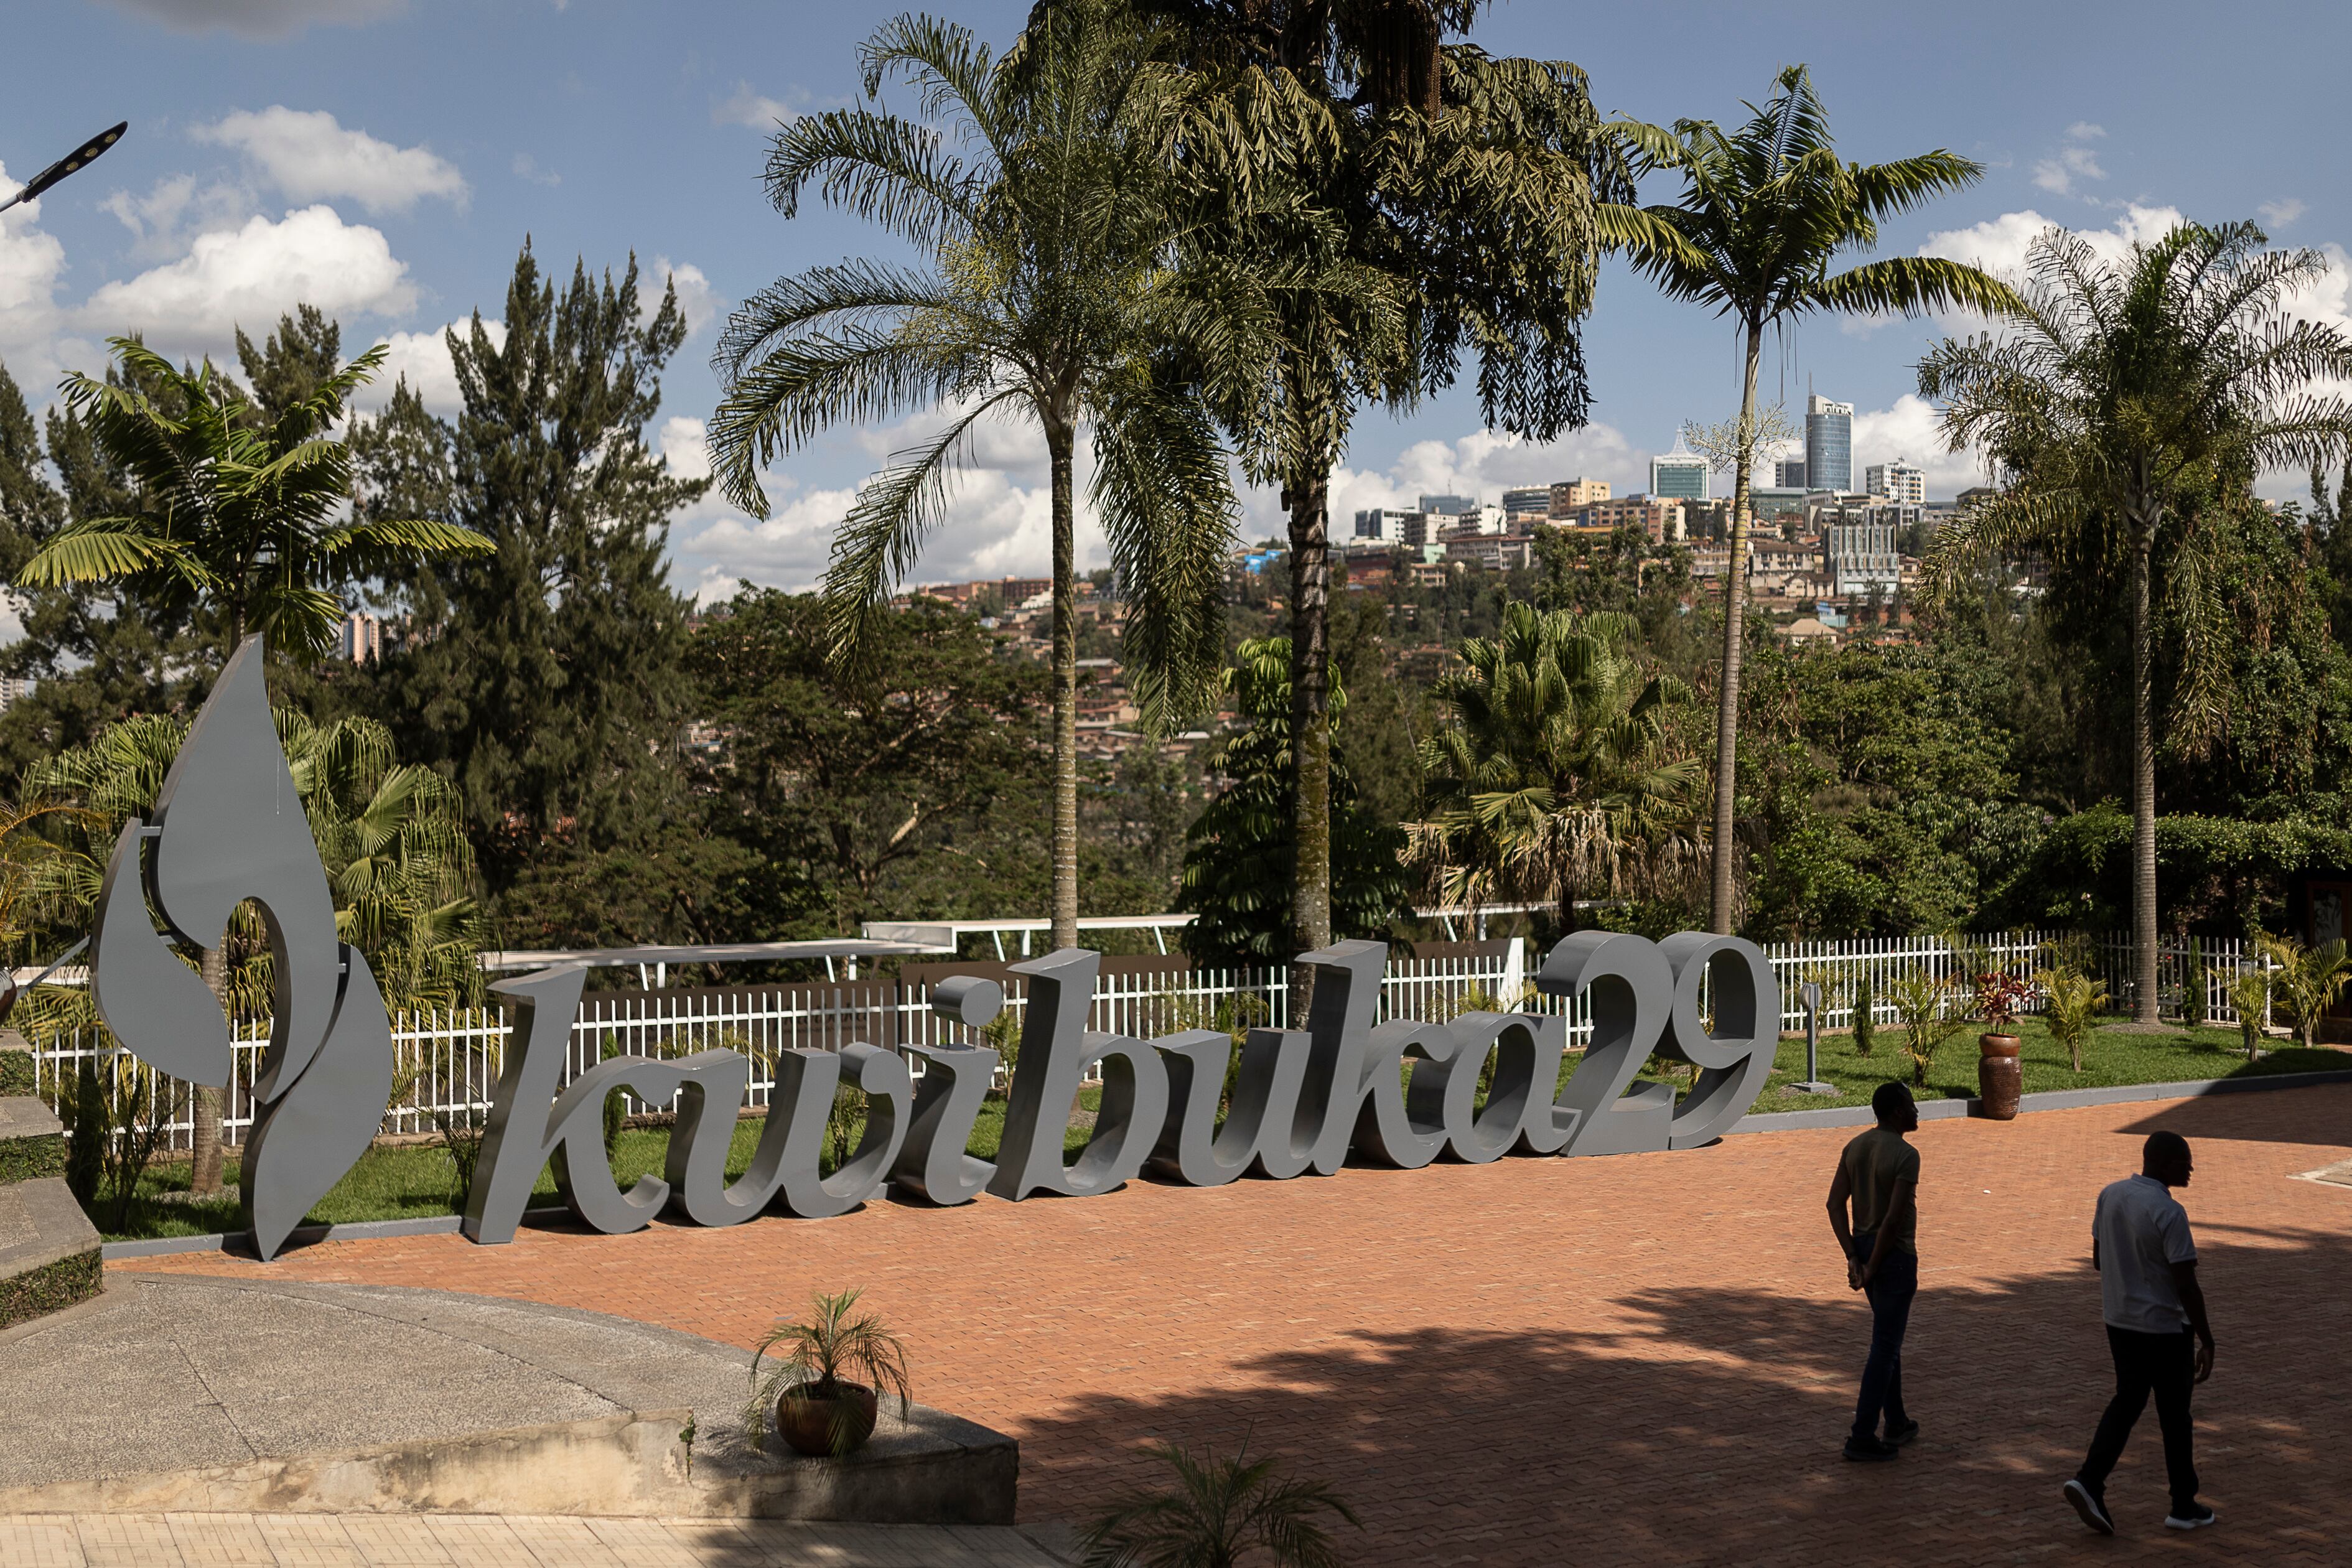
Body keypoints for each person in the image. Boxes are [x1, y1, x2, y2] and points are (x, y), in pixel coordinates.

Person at [2063, 1130, 2217, 1535]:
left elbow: (2099, 1260)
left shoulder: (2111, 1195)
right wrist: (2207, 1338)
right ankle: (2182, 1504)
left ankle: (2091, 1480)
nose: (2191, 1168)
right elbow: (2186, 1284)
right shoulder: (2170, 1213)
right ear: (2165, 1163)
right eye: (2185, 1161)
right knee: (2175, 1417)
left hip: (2120, 1322)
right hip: (2165, 1329)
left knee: (2128, 1401)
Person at [1826, 1081, 1921, 1461]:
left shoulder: (1855, 1147)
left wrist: (1854, 1257)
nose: (1916, 1111)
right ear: (1897, 1111)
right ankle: (1862, 1435)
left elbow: (1835, 1205)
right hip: (1893, 1257)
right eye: (1911, 1105)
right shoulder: (1906, 1155)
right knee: (1884, 1346)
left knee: (1887, 1337)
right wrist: (1874, 1265)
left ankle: (1896, 1422)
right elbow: (1894, 1221)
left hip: (1865, 1248)